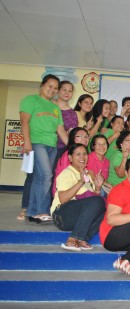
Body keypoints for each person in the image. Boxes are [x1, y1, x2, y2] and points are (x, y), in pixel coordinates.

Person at [20, 74, 68, 223]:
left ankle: (33, 211)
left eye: (55, 88)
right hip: (36, 143)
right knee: (46, 176)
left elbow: (60, 130)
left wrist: (73, 147)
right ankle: (42, 210)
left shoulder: (55, 108)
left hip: (52, 146)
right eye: (50, 86)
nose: (52, 90)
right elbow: (24, 122)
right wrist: (27, 142)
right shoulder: (31, 100)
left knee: (40, 178)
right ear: (42, 85)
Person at [51, 144, 106, 251]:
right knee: (98, 201)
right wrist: (80, 182)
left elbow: (93, 204)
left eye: (85, 154)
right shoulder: (67, 173)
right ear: (70, 158)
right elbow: (63, 199)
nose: (82, 157)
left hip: (77, 217)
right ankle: (73, 238)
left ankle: (83, 238)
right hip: (61, 216)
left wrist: (98, 188)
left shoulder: (87, 175)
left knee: (106, 209)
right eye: (78, 154)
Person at [53, 127, 90, 196]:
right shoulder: (68, 155)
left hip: (79, 190)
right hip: (66, 192)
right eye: (80, 136)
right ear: (72, 138)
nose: (84, 139)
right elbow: (63, 178)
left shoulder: (86, 155)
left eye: (86, 136)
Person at [53, 81, 77, 165]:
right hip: (42, 143)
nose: (67, 93)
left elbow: (71, 135)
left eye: (70, 91)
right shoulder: (48, 104)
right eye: (64, 90)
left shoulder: (72, 114)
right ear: (58, 91)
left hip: (60, 149)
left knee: (52, 175)